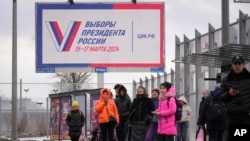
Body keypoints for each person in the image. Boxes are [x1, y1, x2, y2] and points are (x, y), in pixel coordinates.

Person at [219, 55, 250, 140]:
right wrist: (229, 94)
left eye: (239, 64)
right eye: (235, 64)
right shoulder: (226, 80)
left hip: (246, 116)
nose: (237, 66)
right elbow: (220, 97)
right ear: (231, 65)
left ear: (243, 65)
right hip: (232, 117)